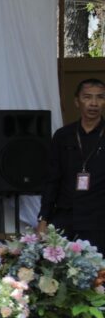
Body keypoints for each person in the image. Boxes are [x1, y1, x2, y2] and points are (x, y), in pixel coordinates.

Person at [42, 78, 105, 250]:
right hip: (66, 216)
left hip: (98, 219)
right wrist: (44, 218)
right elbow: (52, 179)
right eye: (87, 97)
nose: (94, 103)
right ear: (77, 101)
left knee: (98, 273)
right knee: (59, 270)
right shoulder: (63, 135)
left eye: (100, 97)